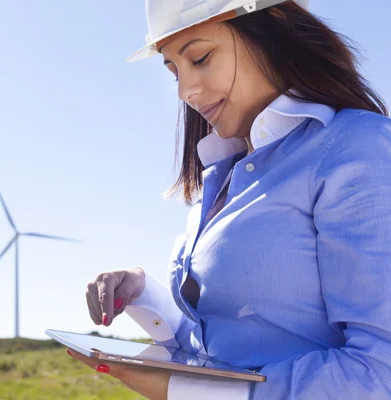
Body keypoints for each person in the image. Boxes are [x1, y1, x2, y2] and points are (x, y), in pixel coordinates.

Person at [67, 0, 391, 399]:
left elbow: (380, 372)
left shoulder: (357, 148)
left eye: (200, 58)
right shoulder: (224, 174)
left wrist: (182, 390)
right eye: (174, 73)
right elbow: (224, 348)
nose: (186, 92)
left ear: (271, 28)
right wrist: (145, 295)